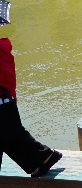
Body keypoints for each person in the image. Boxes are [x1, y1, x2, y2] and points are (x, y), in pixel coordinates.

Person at [0, 37, 62, 177]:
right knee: (10, 137)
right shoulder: (2, 49)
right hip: (5, 101)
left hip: (3, 102)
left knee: (11, 136)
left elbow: (5, 79)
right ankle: (44, 157)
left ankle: (45, 156)